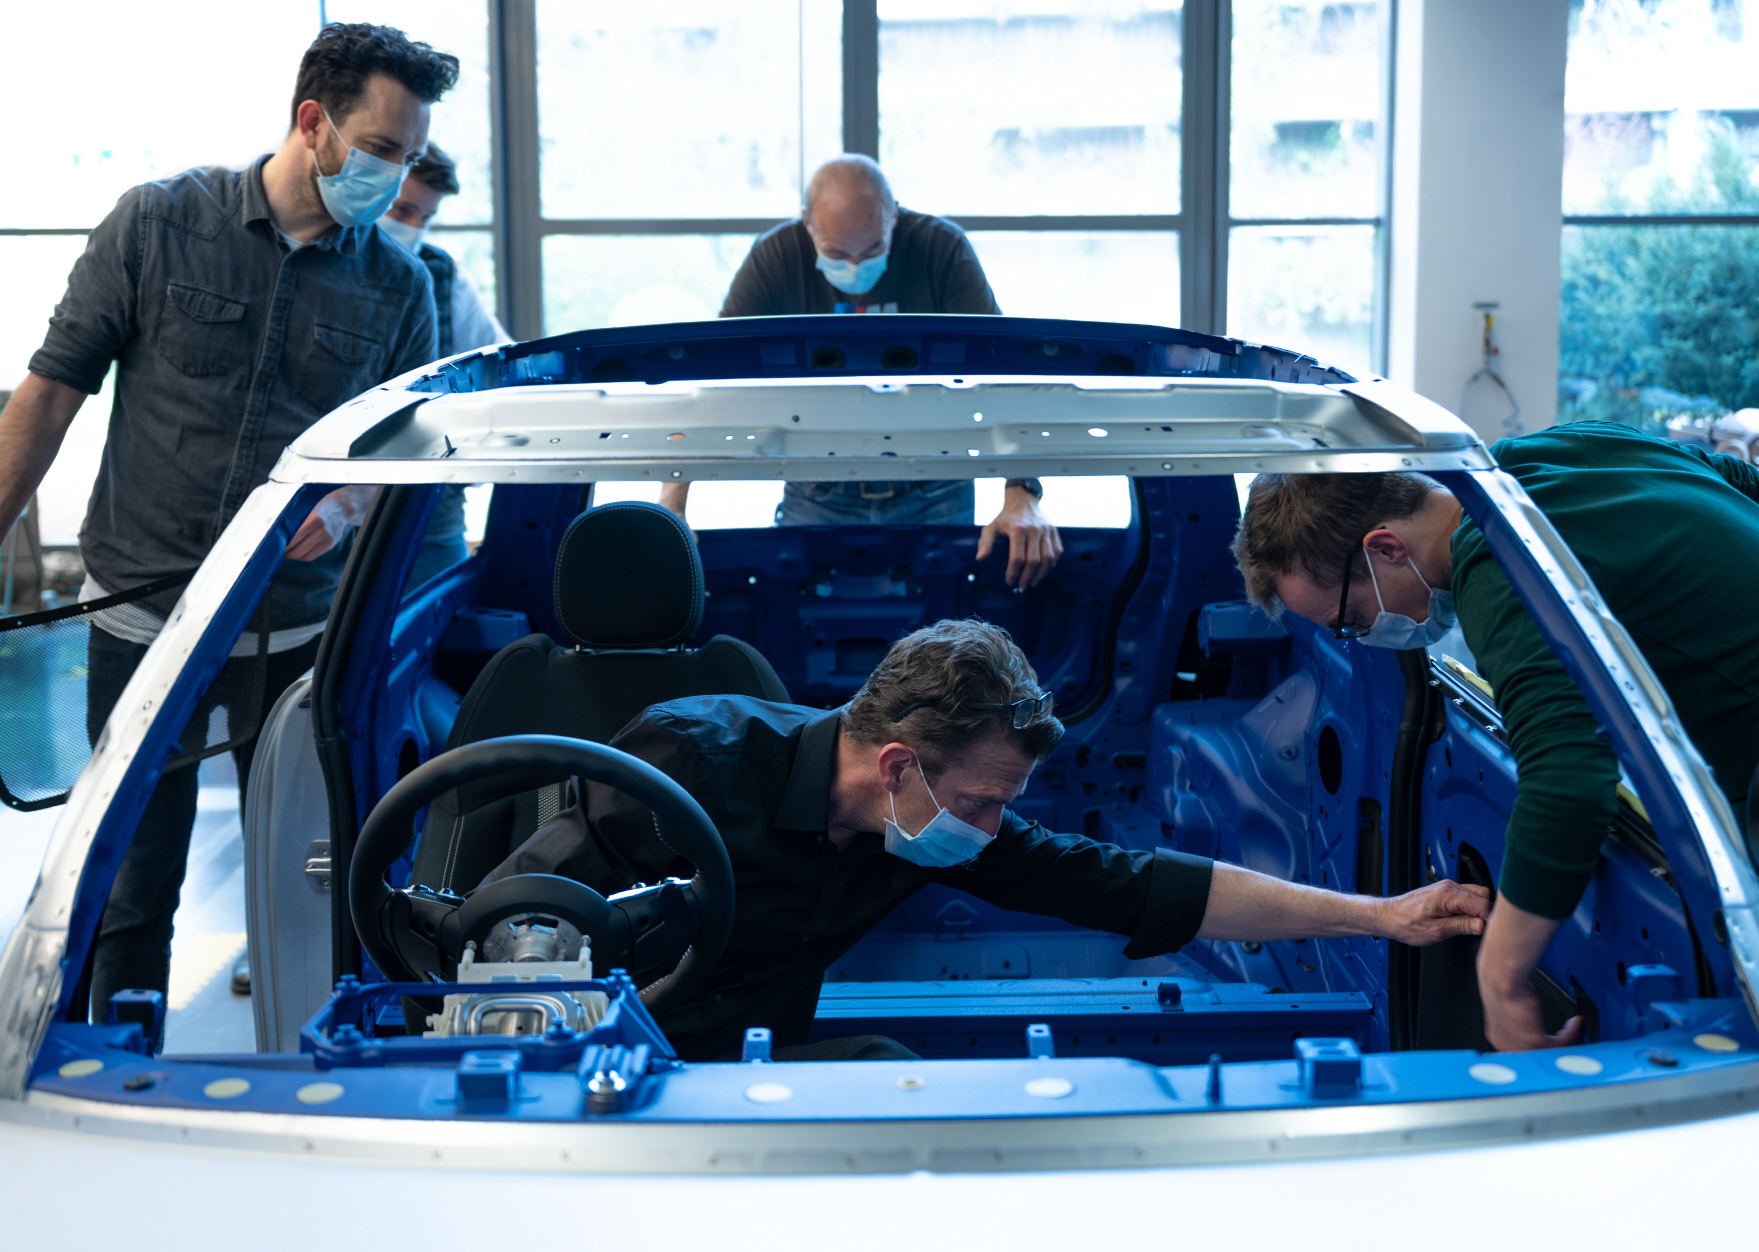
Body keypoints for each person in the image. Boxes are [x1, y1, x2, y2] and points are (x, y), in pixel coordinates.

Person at [0, 22, 458, 1018]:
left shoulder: (400, 286)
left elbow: (400, 455)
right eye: (381, 148)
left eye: (409, 156)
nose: (394, 176)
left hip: (293, 633)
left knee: (308, 875)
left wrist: (348, 501)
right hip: (142, 617)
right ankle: (124, 1062)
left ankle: (314, 1064)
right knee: (132, 876)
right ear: (313, 121)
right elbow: (51, 390)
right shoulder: (159, 224)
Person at [486, 618, 1489, 1062]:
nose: (991, 826)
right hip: (586, 1048)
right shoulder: (686, 760)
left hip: (747, 1064)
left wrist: (1379, 915)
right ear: (896, 766)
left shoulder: (937, 822)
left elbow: (1139, 884)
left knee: (885, 1070)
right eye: (979, 801)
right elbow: (516, 917)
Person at [1229, 420, 1759, 1053]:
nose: (1364, 636)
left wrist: (1501, 975)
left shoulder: (1498, 565)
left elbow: (1567, 780)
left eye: (1351, 620)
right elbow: (1736, 482)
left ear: (1386, 547)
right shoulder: (1549, 452)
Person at [659, 155, 1063, 590]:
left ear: (895, 216)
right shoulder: (776, 256)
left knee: (943, 621)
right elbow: (716, 378)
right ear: (808, 223)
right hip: (817, 485)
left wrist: (1022, 493)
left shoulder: (940, 247)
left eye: (872, 250)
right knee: (796, 613)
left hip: (935, 484)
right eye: (836, 253)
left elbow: (1001, 370)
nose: (855, 267)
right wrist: (671, 504)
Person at [376, 143, 510, 587]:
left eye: (426, 217)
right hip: (323, 504)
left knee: (437, 618)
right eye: (403, 211)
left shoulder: (443, 274)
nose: (414, 227)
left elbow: (503, 370)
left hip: (428, 508)